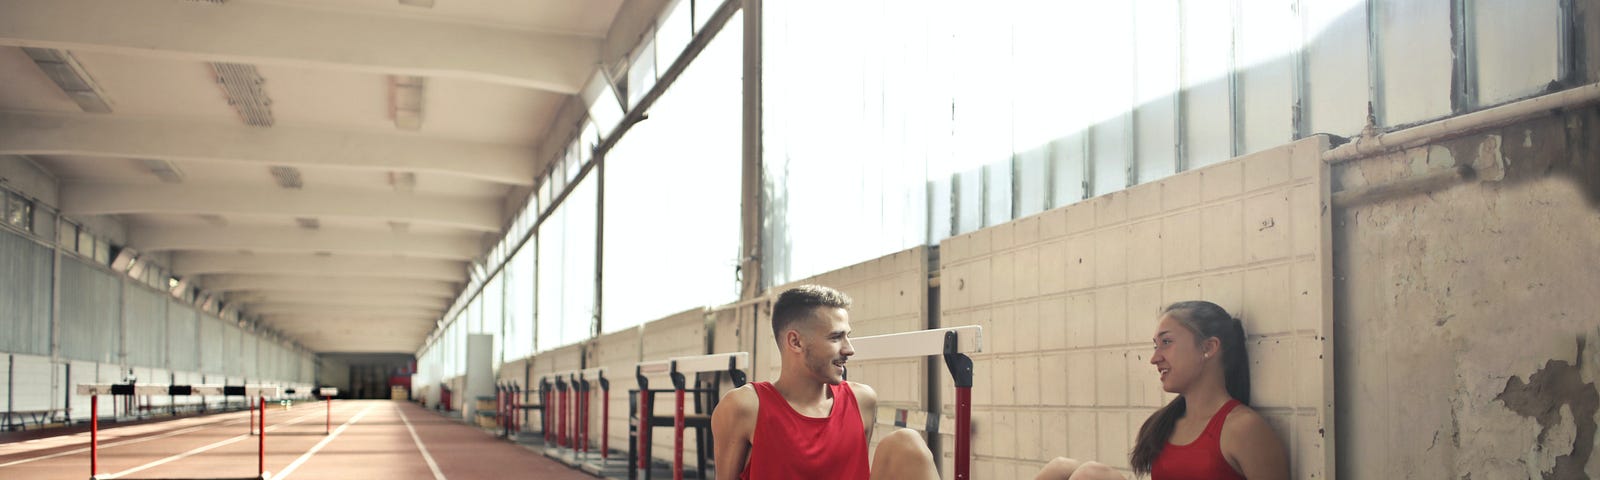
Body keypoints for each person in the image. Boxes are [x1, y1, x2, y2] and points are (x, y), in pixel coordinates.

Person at [1035, 301, 1289, 480]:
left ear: (1209, 348)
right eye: (1155, 345)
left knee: (1090, 475)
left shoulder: (1243, 428)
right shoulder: (1168, 423)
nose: (1154, 358)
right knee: (1062, 468)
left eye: (1166, 343)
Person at [712, 285, 939, 480]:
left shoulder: (862, 400)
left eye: (847, 336)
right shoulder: (744, 406)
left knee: (906, 443)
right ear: (796, 341)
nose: (849, 349)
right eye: (835, 337)